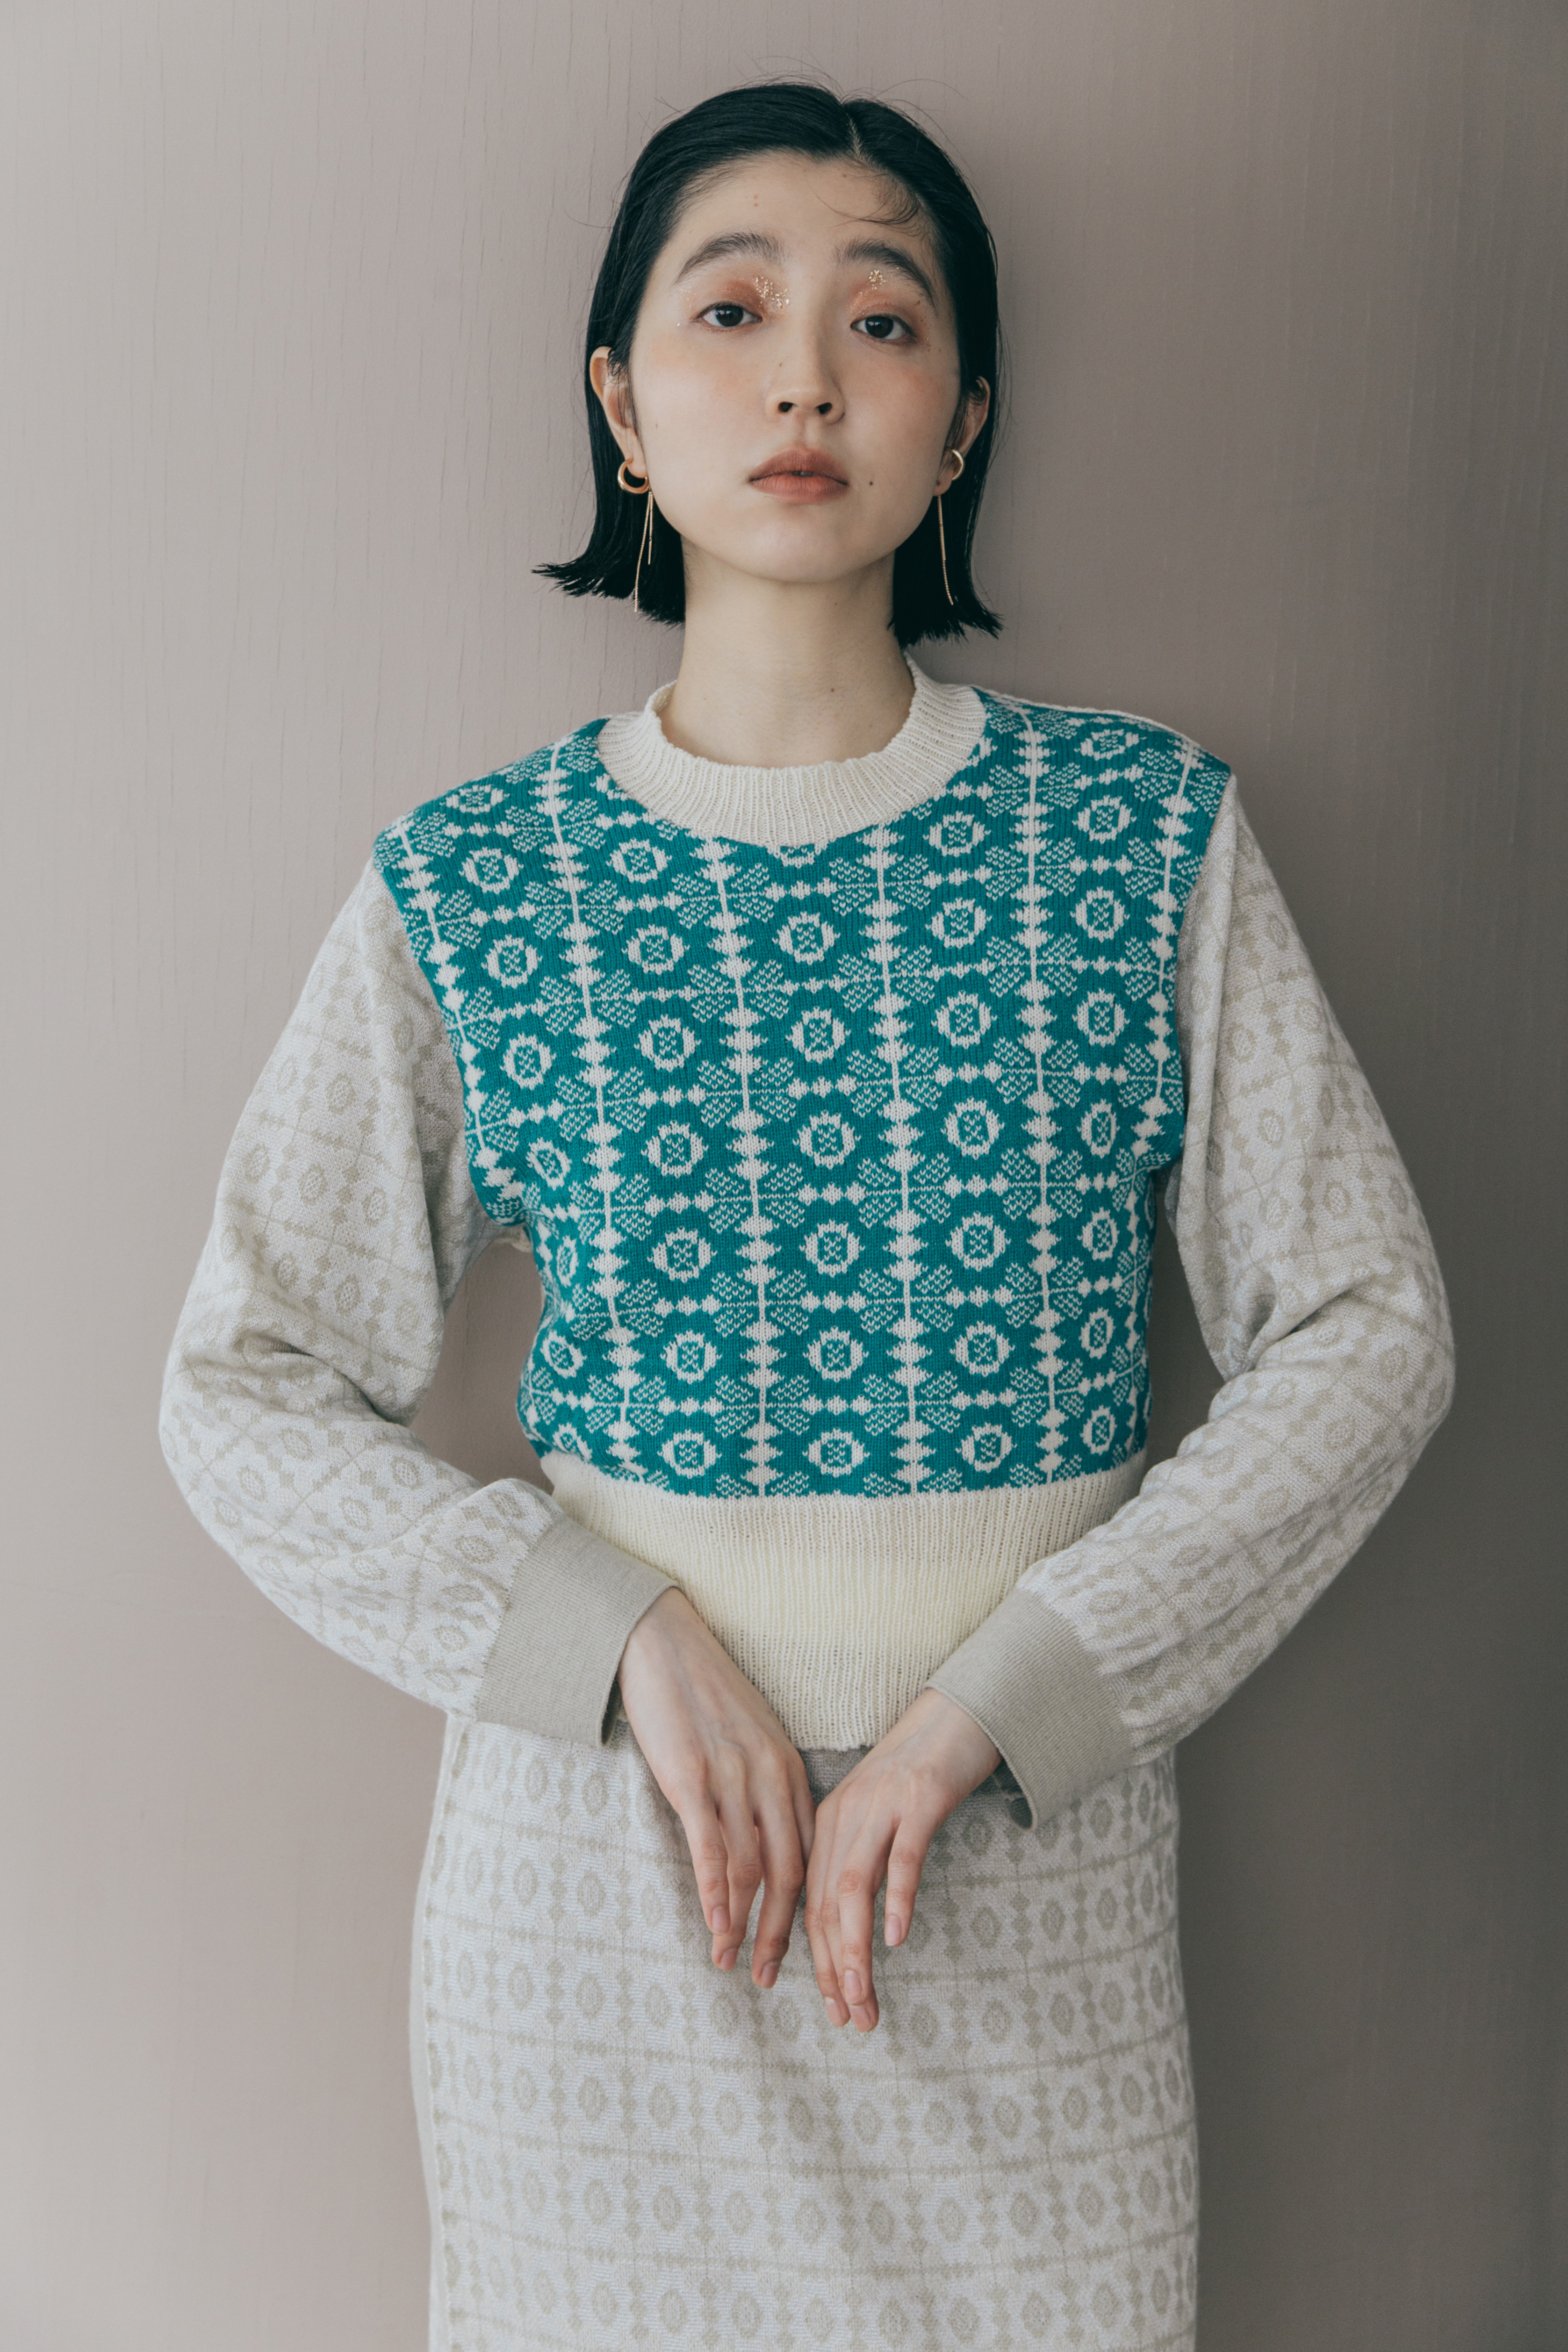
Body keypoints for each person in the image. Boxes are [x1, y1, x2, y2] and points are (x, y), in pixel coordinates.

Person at [159, 81, 1454, 2352]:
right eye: (729, 310)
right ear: (619, 406)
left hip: (1028, 1879)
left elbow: (1367, 1325)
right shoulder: (475, 884)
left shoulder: (1139, 836)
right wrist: (615, 1638)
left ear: (962, 424)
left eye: (880, 319)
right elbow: (241, 1386)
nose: (802, 380)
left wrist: (1005, 1705)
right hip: (603, 1901)